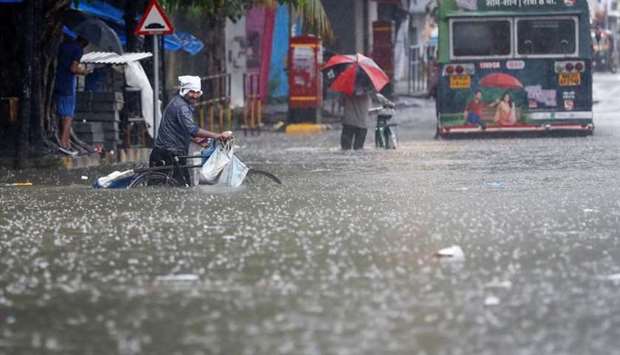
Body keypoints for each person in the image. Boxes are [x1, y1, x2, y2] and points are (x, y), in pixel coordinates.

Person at [149, 75, 232, 186]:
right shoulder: (181, 107)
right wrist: (218, 136)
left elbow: (182, 129)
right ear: (184, 91)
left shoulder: (179, 102)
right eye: (191, 92)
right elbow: (192, 129)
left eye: (197, 92)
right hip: (170, 154)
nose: (195, 95)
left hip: (165, 152)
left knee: (163, 190)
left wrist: (197, 140)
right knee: (183, 189)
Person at [54, 35, 90, 155]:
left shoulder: (63, 46)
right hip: (67, 85)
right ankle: (64, 144)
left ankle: (65, 142)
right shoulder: (77, 49)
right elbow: (73, 68)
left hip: (57, 81)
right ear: (84, 41)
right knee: (68, 116)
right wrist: (84, 71)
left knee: (60, 113)